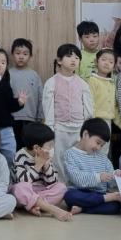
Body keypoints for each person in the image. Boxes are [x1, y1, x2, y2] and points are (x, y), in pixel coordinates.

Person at [42, 44, 93, 182]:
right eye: (69, 56)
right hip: (60, 127)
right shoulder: (52, 82)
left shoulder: (82, 83)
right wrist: (50, 126)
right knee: (58, 158)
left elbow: (88, 106)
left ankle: (77, 183)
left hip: (79, 128)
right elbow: (48, 106)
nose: (73, 60)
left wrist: (88, 126)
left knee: (78, 157)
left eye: (77, 57)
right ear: (59, 60)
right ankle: (60, 185)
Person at [10, 122, 71, 221]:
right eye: (49, 145)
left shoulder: (46, 156)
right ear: (36, 148)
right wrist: (38, 166)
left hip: (41, 191)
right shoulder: (20, 156)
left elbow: (52, 182)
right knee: (19, 188)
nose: (52, 148)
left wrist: (46, 165)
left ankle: (35, 206)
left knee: (62, 188)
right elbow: (22, 181)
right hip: (26, 191)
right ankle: (51, 209)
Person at [63, 118, 121, 215]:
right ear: (85, 135)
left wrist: (116, 175)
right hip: (80, 192)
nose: (99, 148)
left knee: (115, 206)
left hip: (99, 194)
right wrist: (99, 177)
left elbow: (110, 184)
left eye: (102, 145)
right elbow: (77, 179)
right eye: (98, 143)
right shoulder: (70, 154)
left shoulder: (103, 158)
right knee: (69, 196)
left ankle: (82, 209)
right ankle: (101, 200)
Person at [9, 38, 44, 150]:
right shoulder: (7, 74)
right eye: (18, 53)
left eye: (25, 54)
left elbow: (40, 97)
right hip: (12, 119)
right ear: (12, 54)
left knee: (29, 149)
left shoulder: (34, 75)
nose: (21, 56)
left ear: (30, 56)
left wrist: (40, 117)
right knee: (14, 148)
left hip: (31, 119)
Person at [86, 48, 118, 155]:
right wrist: (91, 121)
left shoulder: (111, 82)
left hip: (108, 121)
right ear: (96, 62)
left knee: (104, 150)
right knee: (92, 149)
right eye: (103, 60)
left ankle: (101, 166)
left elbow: (114, 105)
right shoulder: (92, 80)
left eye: (111, 62)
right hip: (95, 121)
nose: (107, 63)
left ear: (114, 66)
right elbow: (89, 103)